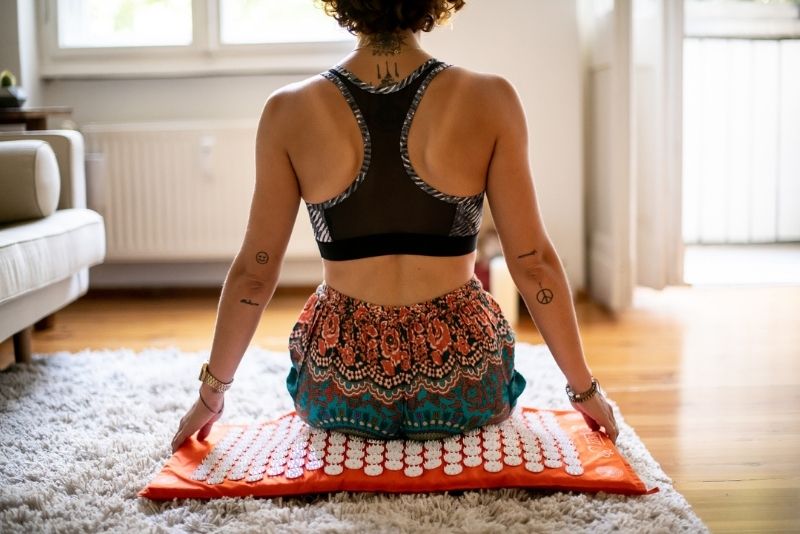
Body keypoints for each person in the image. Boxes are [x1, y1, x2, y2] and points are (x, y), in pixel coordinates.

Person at [171, 0, 619, 453]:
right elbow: (533, 263)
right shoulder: (491, 99)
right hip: (463, 386)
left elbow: (255, 271)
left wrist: (212, 393)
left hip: (340, 389)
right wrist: (583, 388)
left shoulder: (287, 111)